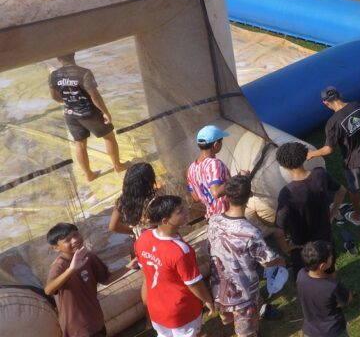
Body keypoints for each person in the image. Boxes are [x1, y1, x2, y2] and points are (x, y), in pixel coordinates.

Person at [208, 175, 285, 337]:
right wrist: (281, 260)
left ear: (227, 196)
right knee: (247, 332)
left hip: (219, 285)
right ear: (250, 195)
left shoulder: (213, 221)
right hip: (241, 293)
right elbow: (267, 261)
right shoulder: (250, 232)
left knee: (233, 316)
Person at [136, 195, 216, 337]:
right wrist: (208, 300)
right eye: (180, 211)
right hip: (182, 312)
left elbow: (145, 273)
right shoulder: (180, 251)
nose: (187, 212)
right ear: (165, 221)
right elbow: (194, 283)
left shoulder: (143, 238)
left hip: (156, 310)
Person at [312, 86, 360, 227]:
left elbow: (328, 149)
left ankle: (357, 217)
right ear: (340, 94)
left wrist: (311, 154)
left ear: (326, 103)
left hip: (353, 162)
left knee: (354, 189)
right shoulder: (356, 105)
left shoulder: (332, 123)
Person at [49, 53, 125, 182]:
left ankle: (88, 174)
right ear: (74, 54)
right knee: (109, 137)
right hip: (89, 113)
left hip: (70, 114)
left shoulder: (54, 75)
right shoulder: (84, 73)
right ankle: (118, 166)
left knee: (80, 145)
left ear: (58, 59)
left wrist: (70, 101)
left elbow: (54, 97)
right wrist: (105, 112)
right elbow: (94, 96)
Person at [275, 142, 347, 274]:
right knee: (330, 270)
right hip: (325, 238)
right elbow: (342, 191)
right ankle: (333, 291)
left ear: (282, 165)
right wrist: (332, 214)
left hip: (303, 248)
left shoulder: (287, 193)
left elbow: (279, 231)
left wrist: (285, 248)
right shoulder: (320, 174)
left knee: (305, 277)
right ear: (304, 157)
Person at [44, 222, 112, 337]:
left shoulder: (89, 257)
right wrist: (71, 269)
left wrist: (131, 266)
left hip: (96, 321)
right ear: (56, 248)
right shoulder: (59, 266)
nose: (75, 240)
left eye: (76, 235)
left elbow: (106, 279)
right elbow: (48, 290)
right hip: (77, 328)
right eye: (67, 240)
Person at [296, 240, 352, 337]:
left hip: (310, 331)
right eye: (330, 257)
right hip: (333, 331)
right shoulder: (332, 286)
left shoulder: (301, 275)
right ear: (322, 266)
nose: (332, 258)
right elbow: (345, 301)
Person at [186, 124, 231, 219]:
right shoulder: (214, 164)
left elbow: (196, 197)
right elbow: (216, 192)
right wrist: (238, 179)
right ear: (216, 144)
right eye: (221, 141)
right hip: (225, 216)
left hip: (211, 218)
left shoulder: (191, 169)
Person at [109, 162, 160, 237]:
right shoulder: (153, 201)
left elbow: (113, 226)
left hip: (142, 239)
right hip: (158, 239)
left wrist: (133, 231)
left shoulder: (122, 202)